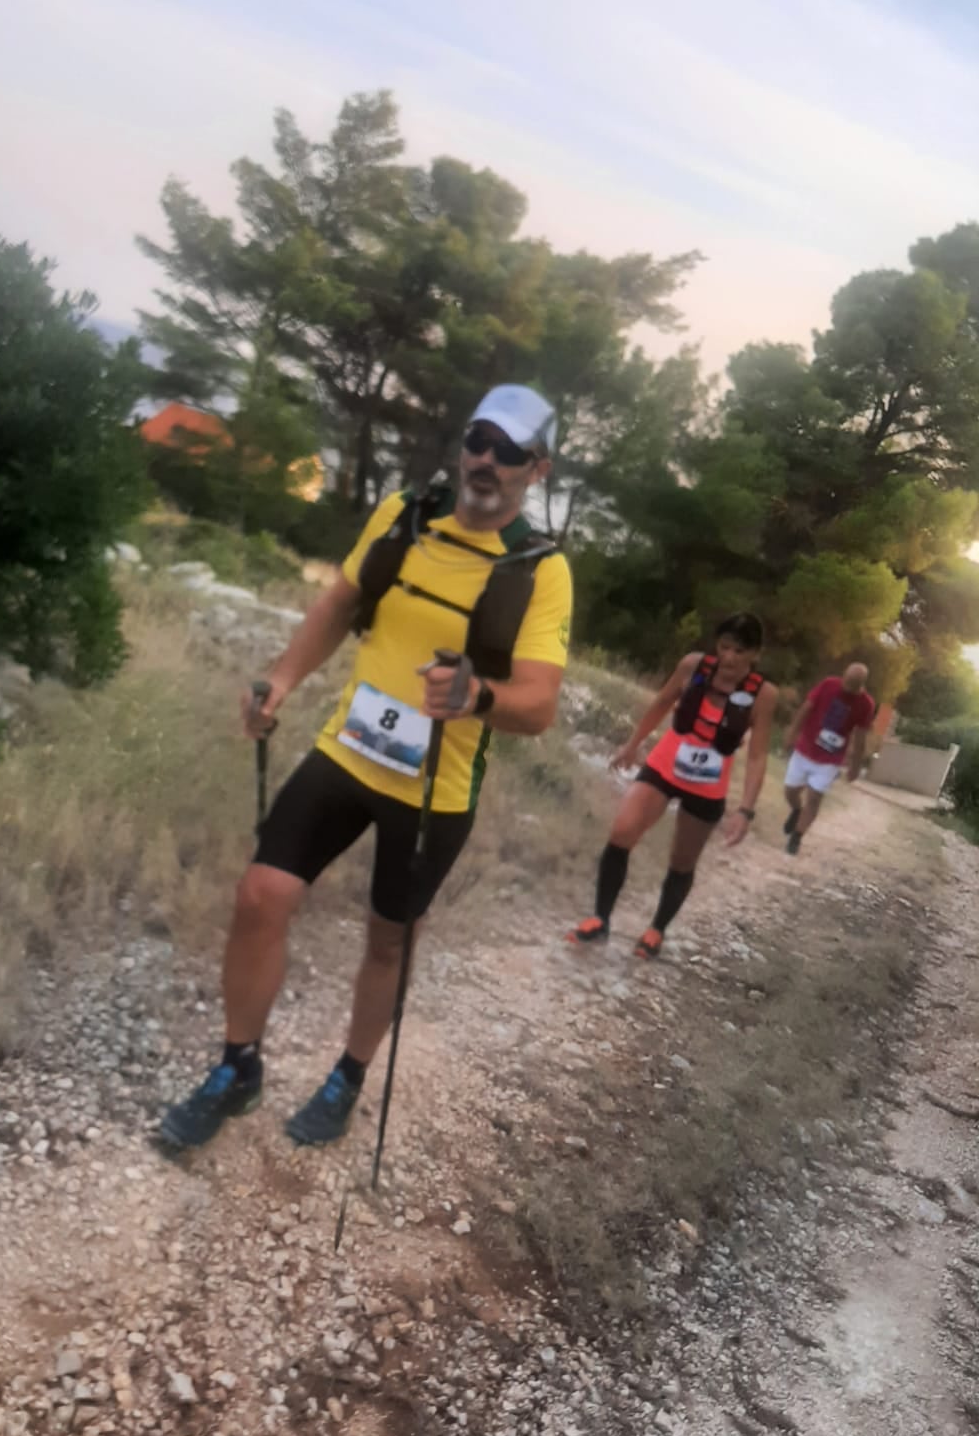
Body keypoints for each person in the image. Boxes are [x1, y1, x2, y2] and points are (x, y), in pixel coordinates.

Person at [157, 384, 574, 1153]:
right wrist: (281, 681)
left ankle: (347, 1078)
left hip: (434, 790)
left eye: (509, 450)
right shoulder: (403, 517)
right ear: (463, 445)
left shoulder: (539, 571)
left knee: (387, 940)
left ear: (536, 470)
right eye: (478, 440)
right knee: (260, 895)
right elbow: (339, 605)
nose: (487, 460)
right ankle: (237, 1067)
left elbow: (539, 704)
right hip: (347, 751)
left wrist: (478, 696)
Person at [566, 614, 777, 959]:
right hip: (665, 766)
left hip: (708, 785)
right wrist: (632, 745)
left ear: (755, 654)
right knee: (622, 832)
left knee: (682, 861)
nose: (729, 657)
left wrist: (746, 810)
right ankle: (600, 919)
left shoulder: (763, 695)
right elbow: (661, 703)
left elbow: (757, 755)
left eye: (739, 651)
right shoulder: (693, 666)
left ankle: (656, 930)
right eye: (724, 647)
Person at [782, 662, 874, 856]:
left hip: (830, 759)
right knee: (790, 791)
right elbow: (806, 708)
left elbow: (860, 738)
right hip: (805, 748)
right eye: (846, 682)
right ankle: (796, 810)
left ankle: (797, 837)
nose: (846, 688)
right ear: (843, 675)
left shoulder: (866, 704)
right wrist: (792, 733)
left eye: (852, 686)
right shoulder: (828, 684)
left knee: (814, 798)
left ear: (861, 685)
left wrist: (855, 766)